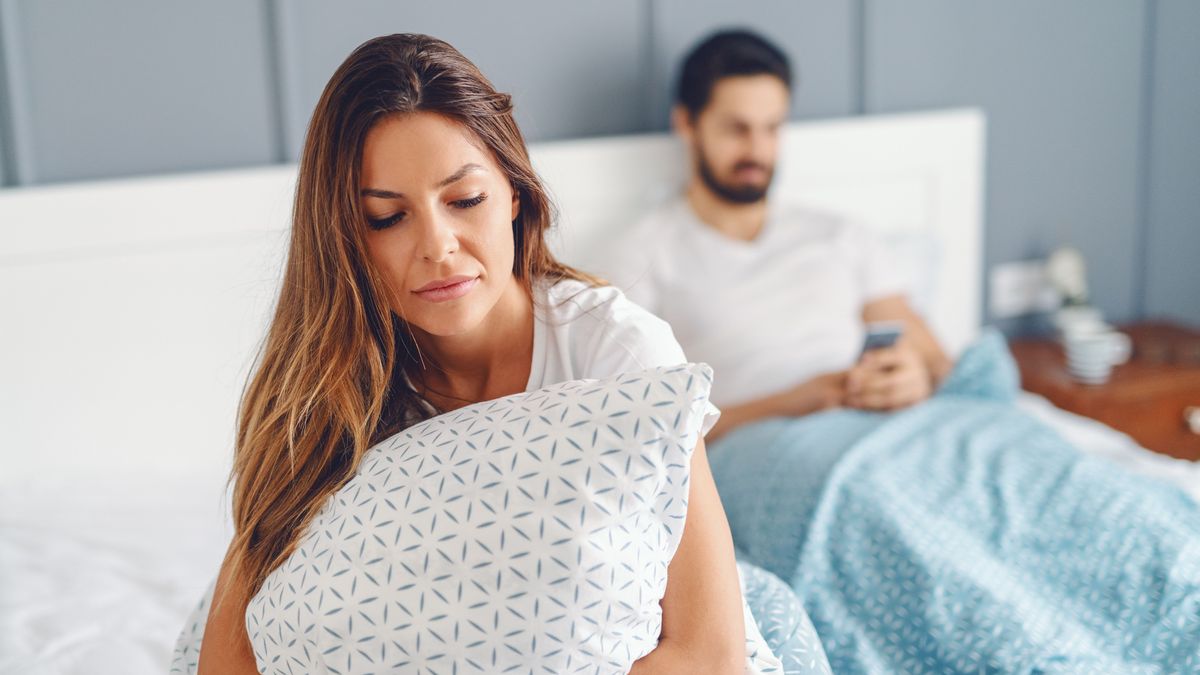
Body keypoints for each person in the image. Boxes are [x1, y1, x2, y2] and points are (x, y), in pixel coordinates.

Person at [197, 33, 746, 674]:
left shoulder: (618, 352)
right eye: (386, 218)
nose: (437, 246)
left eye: (465, 201)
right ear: (345, 237)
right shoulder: (317, 398)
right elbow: (230, 662)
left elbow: (710, 653)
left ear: (514, 194)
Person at [604, 30, 952, 442]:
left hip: (880, 429)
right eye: (737, 129)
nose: (757, 150)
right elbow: (636, 428)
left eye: (772, 128)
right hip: (763, 448)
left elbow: (937, 362)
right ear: (686, 123)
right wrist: (798, 401)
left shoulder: (842, 235)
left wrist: (914, 379)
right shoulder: (641, 256)